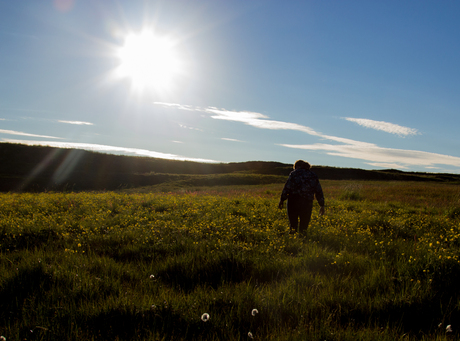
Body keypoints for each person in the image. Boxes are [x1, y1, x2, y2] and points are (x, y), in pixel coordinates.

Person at [278, 160, 325, 235]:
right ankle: (303, 240)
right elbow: (318, 191)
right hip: (307, 203)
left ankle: (293, 241)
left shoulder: (294, 173)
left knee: (293, 224)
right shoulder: (313, 175)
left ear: (297, 166)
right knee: (304, 225)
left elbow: (287, 188)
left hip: (293, 201)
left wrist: (282, 200)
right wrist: (321, 205)